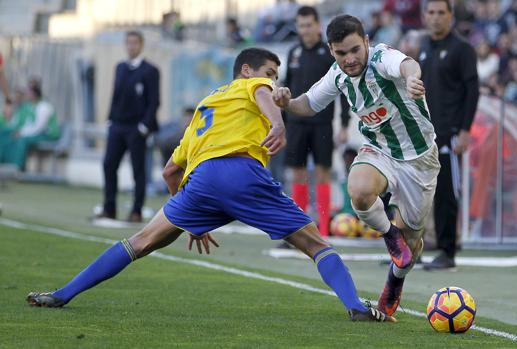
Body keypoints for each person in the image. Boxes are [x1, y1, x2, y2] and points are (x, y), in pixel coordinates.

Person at [26, 48, 394, 323]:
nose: (274, 80)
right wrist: (278, 124)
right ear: (247, 70)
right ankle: (356, 307)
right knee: (316, 245)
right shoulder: (252, 85)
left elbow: (171, 170)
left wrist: (191, 218)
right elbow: (264, 95)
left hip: (200, 182)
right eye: (271, 72)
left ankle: (63, 293)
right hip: (242, 173)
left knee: (141, 241)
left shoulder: (206, 107)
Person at [272, 15, 439, 317]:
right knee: (359, 190)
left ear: (365, 42)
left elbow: (406, 64)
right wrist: (286, 103)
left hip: (419, 159)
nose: (349, 59)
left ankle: (395, 281)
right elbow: (308, 104)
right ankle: (390, 236)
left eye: (354, 50)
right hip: (378, 150)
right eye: (340, 53)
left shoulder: (381, 58)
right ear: (331, 50)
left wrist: (413, 77)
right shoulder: (338, 74)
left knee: (413, 243)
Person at [417, 0, 480, 270]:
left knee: (445, 193)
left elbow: (472, 91)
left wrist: (465, 130)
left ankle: (448, 251)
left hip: (450, 133)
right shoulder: (424, 48)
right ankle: (412, 248)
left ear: (451, 16)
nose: (435, 18)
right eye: (431, 12)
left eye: (441, 13)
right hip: (423, 134)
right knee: (416, 194)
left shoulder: (462, 49)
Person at [284, 6, 350, 236]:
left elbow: (342, 89)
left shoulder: (328, 53)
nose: (305, 30)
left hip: (322, 122)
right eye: (301, 25)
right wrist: (280, 125)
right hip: (295, 124)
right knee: (297, 173)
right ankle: (300, 230)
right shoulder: (293, 53)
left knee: (323, 172)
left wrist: (343, 125)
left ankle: (322, 230)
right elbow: (287, 92)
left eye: (309, 24)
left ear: (318, 25)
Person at [100, 30, 160, 223]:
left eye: (134, 43)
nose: (131, 46)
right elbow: (115, 95)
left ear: (141, 44)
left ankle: (136, 210)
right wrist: (110, 119)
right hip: (118, 125)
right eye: (128, 43)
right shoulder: (120, 67)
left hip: (136, 127)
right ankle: (109, 208)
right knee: (109, 164)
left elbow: (154, 101)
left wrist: (144, 126)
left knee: (138, 170)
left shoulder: (150, 70)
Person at [1, 81, 60, 170]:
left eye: (28, 93)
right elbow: (23, 123)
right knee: (5, 135)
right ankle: (4, 163)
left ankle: (17, 167)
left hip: (47, 135)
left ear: (34, 94)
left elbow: (38, 127)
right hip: (34, 133)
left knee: (21, 140)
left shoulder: (44, 107)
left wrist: (21, 133)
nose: (26, 95)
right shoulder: (29, 106)